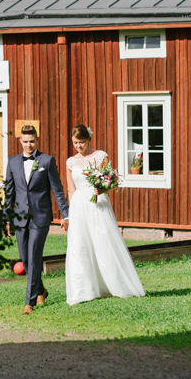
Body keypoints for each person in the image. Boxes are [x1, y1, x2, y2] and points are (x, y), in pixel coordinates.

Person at [64, 124, 145, 305]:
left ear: (89, 140)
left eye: (82, 142)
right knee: (79, 246)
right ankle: (83, 291)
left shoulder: (101, 156)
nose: (79, 146)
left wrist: (102, 188)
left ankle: (114, 285)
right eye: (76, 143)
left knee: (103, 242)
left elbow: (110, 182)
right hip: (78, 205)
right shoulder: (71, 162)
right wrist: (69, 214)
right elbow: (70, 189)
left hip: (97, 202)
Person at [5, 125, 69, 315]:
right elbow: (9, 192)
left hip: (40, 217)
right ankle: (41, 290)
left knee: (33, 257)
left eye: (32, 141)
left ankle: (29, 302)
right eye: (25, 141)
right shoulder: (13, 162)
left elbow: (57, 190)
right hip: (19, 217)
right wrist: (6, 218)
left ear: (37, 140)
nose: (29, 145)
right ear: (20, 141)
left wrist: (65, 214)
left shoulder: (47, 161)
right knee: (26, 260)